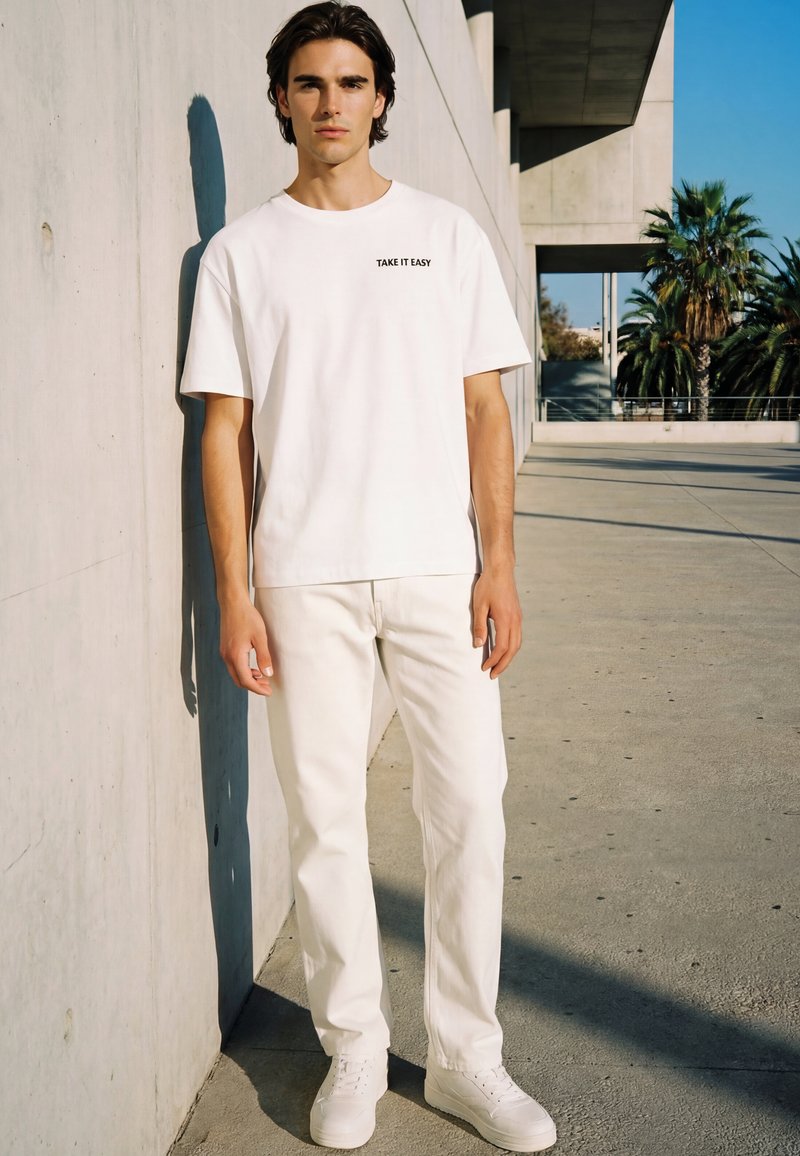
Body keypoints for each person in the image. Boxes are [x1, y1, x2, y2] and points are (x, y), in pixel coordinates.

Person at [181, 2, 557, 1150]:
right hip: (303, 576)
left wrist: (499, 564)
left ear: (381, 97)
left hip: (439, 568)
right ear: (280, 99)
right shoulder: (239, 253)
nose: (330, 101)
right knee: (325, 822)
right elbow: (222, 433)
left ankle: (467, 1058)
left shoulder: (444, 234)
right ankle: (351, 1046)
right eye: (309, 82)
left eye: (351, 81)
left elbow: (485, 411)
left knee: (469, 810)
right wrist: (233, 593)